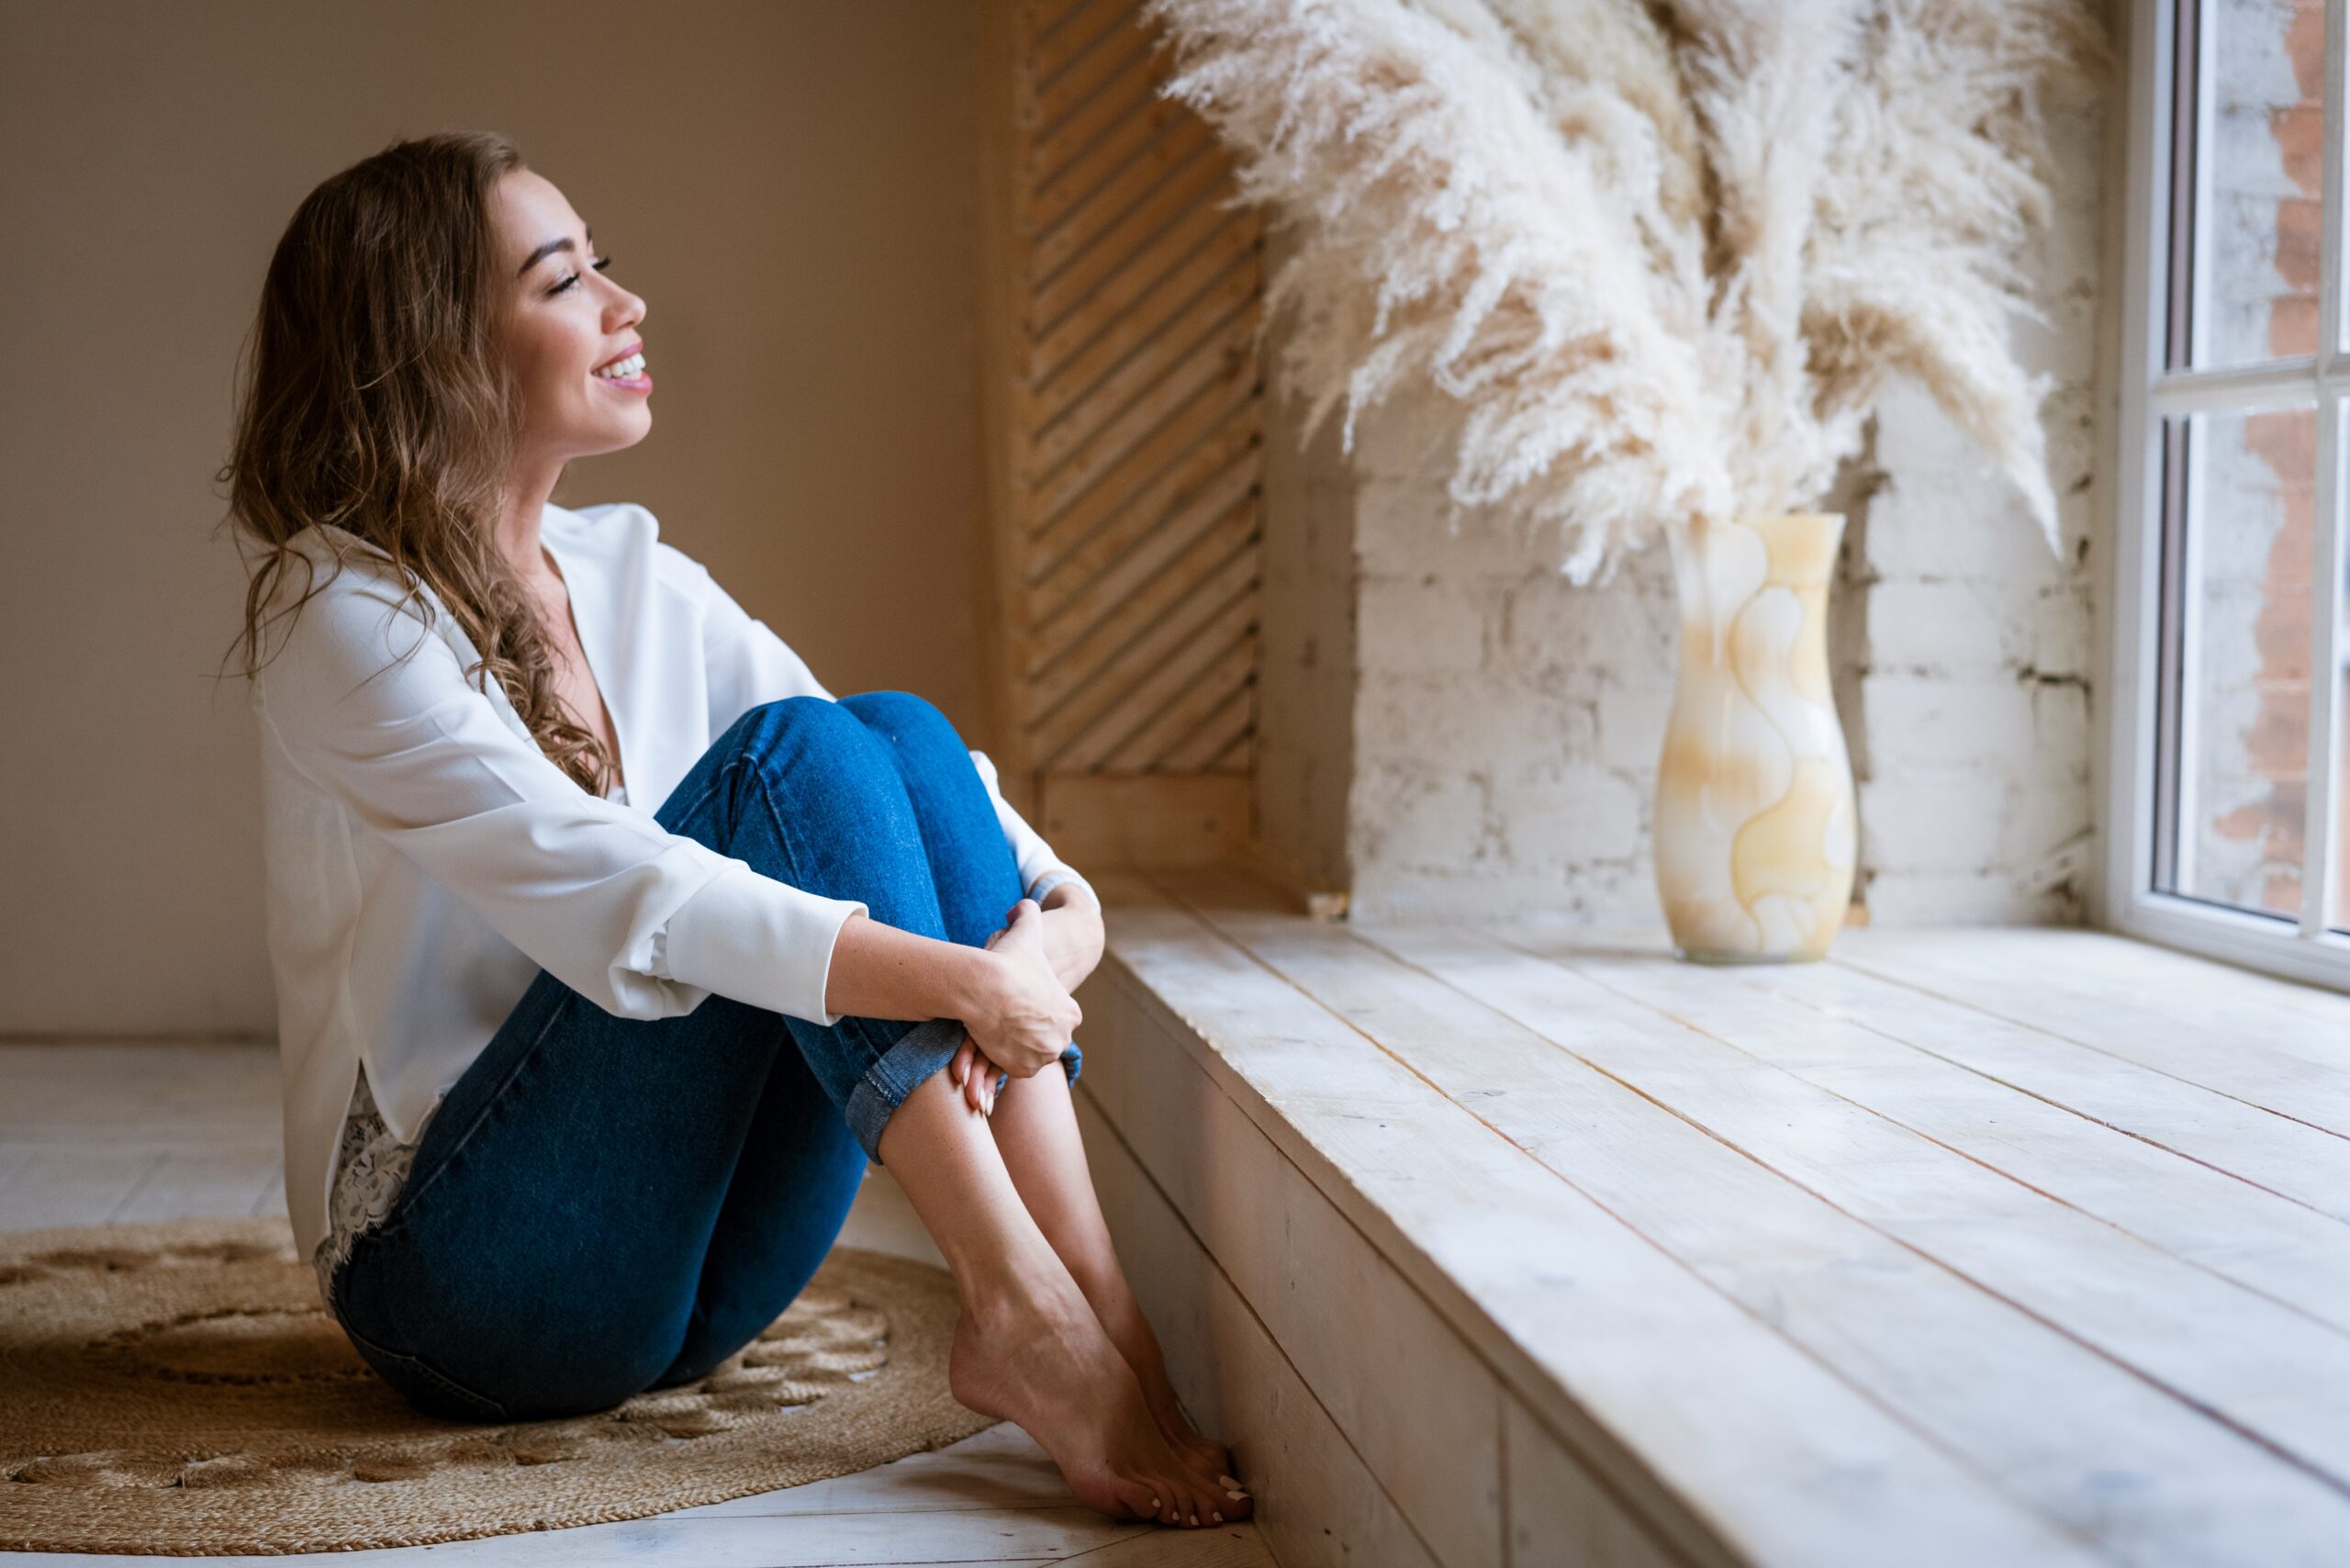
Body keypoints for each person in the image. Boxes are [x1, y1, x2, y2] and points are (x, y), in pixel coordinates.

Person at [222, 130, 1247, 1530]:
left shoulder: (626, 567)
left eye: (605, 265)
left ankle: (1087, 1294)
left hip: (689, 1281)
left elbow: (893, 783)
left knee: (883, 730)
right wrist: (966, 982)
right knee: (793, 764)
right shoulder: (341, 609)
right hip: (465, 1284)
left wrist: (1062, 909)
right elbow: (618, 894)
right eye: (563, 278)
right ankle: (1023, 1304)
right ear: (436, 345)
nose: (625, 305)